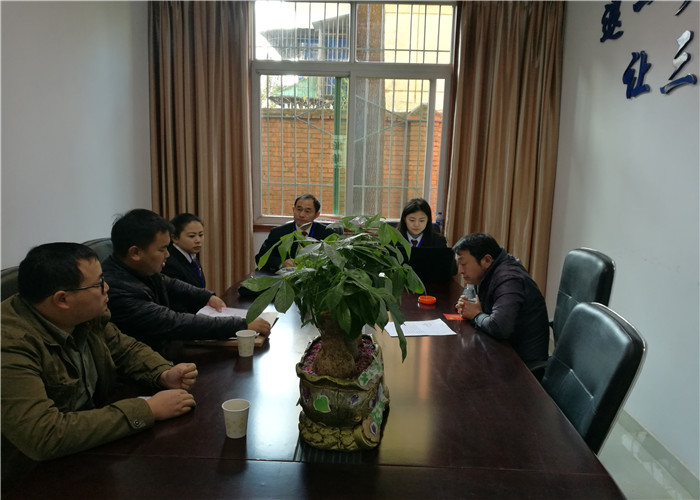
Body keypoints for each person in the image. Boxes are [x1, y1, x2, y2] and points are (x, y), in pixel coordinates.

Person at [1, 242, 197, 470]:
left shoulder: (85, 316)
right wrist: (148, 410)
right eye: (98, 283)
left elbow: (125, 349)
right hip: (30, 472)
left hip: (89, 445)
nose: (107, 288)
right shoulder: (10, 344)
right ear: (62, 299)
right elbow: (42, 435)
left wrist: (162, 372)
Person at [102, 209, 270, 351]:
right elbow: (172, 322)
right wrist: (240, 325)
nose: (168, 254)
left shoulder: (138, 269)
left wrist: (206, 296)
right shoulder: (116, 288)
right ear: (135, 253)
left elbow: (170, 283)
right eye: (162, 249)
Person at [453, 233, 549, 368]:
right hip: (498, 349)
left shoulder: (509, 279)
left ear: (487, 260)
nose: (460, 271)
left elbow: (500, 327)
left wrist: (475, 314)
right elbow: (470, 294)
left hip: (521, 364)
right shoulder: (486, 272)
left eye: (463, 264)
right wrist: (466, 303)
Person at [255, 194, 337, 272]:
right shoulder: (278, 232)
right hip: (286, 277)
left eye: (307, 211)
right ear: (293, 210)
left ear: (317, 214)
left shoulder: (327, 233)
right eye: (299, 209)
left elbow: (334, 261)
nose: (301, 215)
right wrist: (282, 263)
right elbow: (260, 258)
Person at [162, 213, 206, 288]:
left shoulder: (191, 256)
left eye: (201, 235)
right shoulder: (170, 264)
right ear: (175, 238)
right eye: (192, 236)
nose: (198, 240)